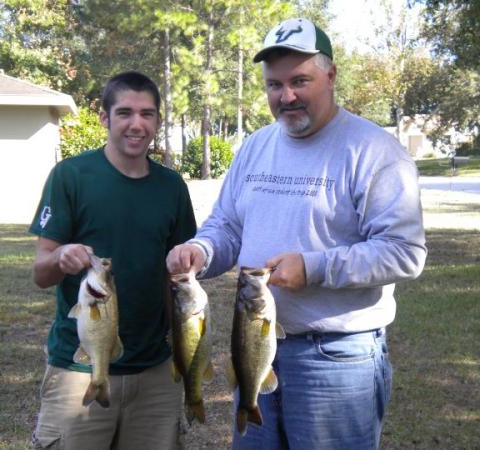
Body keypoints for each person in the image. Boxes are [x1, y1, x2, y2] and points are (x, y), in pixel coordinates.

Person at [166, 17, 427, 450]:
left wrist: (314, 267)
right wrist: (201, 249)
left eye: (300, 81)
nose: (286, 96)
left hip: (337, 359)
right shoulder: (256, 146)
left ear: (331, 75)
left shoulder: (374, 151)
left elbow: (404, 252)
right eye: (274, 85)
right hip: (254, 347)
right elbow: (227, 225)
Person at [29, 71, 196, 450]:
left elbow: (179, 280)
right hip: (80, 368)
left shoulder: (171, 187)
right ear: (104, 117)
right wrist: (60, 256)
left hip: (155, 371)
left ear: (157, 120)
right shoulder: (70, 176)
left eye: (148, 114)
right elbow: (40, 272)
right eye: (125, 113)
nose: (137, 124)